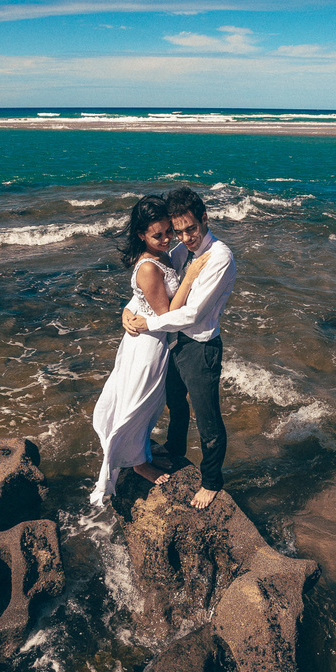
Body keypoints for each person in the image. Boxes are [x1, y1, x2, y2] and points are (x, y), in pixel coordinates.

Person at [91, 195, 211, 507]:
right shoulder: (149, 266)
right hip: (147, 346)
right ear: (141, 234)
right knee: (138, 403)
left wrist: (127, 310)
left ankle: (140, 450)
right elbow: (167, 313)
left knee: (149, 404)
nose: (168, 238)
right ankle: (138, 463)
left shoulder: (163, 256)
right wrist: (192, 276)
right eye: (158, 235)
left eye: (169, 231)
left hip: (154, 342)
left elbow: (141, 302)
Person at [123, 186, 236, 509]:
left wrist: (149, 324)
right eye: (179, 231)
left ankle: (212, 481)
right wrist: (128, 310)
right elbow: (157, 283)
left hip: (200, 347)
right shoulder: (183, 252)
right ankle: (174, 452)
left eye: (191, 229)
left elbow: (192, 313)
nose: (185, 237)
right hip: (174, 342)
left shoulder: (220, 258)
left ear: (204, 219)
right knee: (175, 404)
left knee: (207, 418)